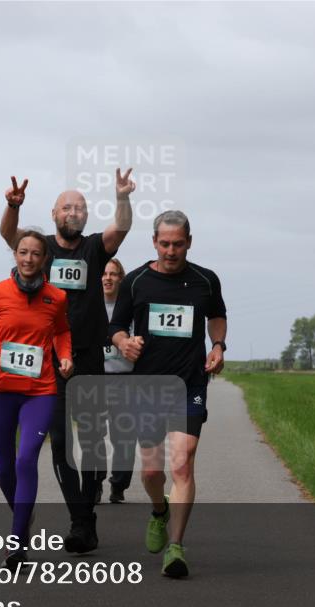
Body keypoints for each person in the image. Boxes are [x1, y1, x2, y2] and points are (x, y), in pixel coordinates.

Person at [0, 170, 135, 552]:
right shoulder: (41, 247)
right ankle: (80, 521)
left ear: (86, 216)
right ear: (54, 212)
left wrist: (122, 198)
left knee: (91, 442)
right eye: (67, 207)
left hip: (88, 357)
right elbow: (10, 236)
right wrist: (12, 206)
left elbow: (120, 229)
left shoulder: (95, 248)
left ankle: (86, 520)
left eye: (80, 208)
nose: (73, 213)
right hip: (49, 361)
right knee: (59, 441)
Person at [108, 210, 227, 577]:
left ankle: (176, 547)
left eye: (178, 244)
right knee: (151, 471)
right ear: (154, 242)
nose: (171, 251)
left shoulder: (206, 280)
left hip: (189, 383)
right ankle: (159, 510)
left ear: (189, 242)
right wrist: (123, 342)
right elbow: (115, 326)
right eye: (164, 244)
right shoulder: (137, 281)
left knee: (182, 462)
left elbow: (217, 315)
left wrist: (218, 346)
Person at [0, 230, 74, 568]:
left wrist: (65, 356)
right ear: (15, 255)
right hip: (0, 390)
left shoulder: (56, 297)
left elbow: (61, 331)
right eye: (22, 252)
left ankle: (16, 542)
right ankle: (22, 515)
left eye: (35, 254)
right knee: (4, 466)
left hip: (40, 392)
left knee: (26, 458)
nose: (28, 259)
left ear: (45, 259)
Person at [100, 259, 136, 504]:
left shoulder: (131, 309)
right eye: (104, 273)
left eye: (114, 274)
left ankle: (119, 485)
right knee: (92, 435)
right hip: (96, 378)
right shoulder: (91, 307)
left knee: (123, 437)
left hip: (125, 379)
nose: (108, 278)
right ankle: (93, 484)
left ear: (121, 279)